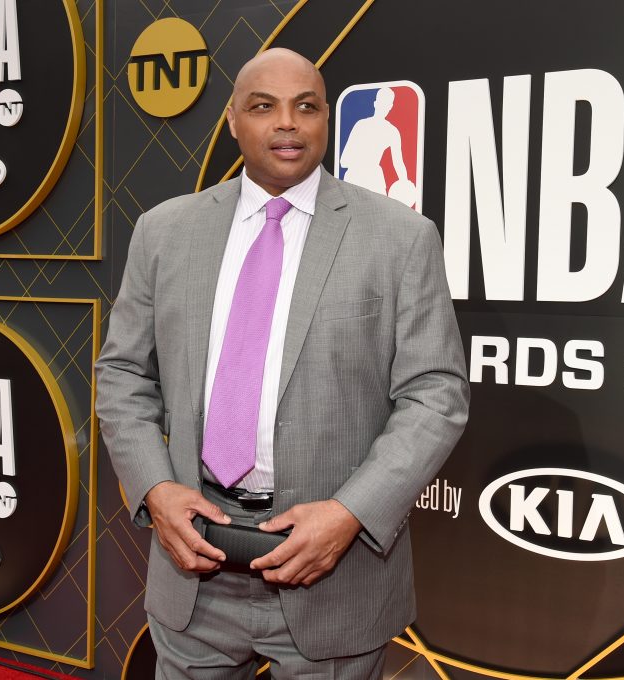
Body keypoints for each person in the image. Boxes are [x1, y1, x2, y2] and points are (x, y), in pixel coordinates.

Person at [96, 48, 469, 679]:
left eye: (307, 107)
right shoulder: (163, 232)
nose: (288, 124)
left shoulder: (400, 237)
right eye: (264, 106)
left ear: (328, 121)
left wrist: (349, 513)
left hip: (332, 570)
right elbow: (124, 374)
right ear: (234, 122)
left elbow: (436, 396)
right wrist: (155, 490)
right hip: (195, 565)